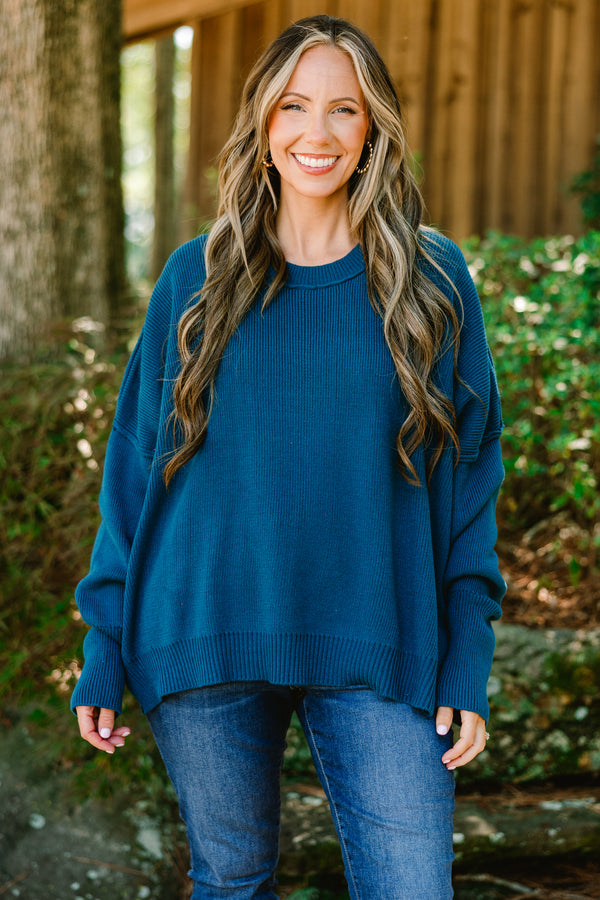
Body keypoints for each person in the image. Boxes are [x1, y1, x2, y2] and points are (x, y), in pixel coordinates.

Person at [72, 14, 505, 899]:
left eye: (343, 110)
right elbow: (134, 472)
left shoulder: (432, 282)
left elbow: (470, 483)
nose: (318, 133)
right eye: (295, 106)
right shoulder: (195, 279)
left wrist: (467, 650)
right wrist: (105, 644)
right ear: (264, 124)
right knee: (232, 883)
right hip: (206, 624)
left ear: (373, 126)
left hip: (381, 634)